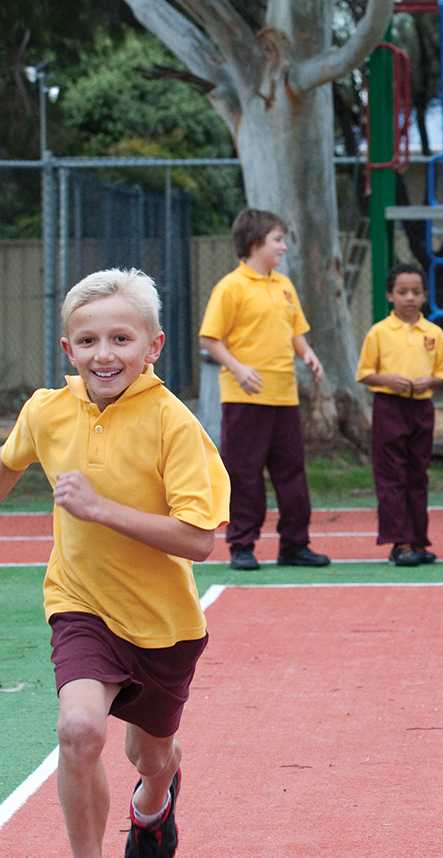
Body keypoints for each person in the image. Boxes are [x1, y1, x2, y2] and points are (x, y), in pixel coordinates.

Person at [0, 268, 230, 858]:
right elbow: (8, 465)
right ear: (68, 348)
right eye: (88, 341)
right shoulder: (46, 411)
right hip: (81, 605)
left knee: (147, 756)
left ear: (153, 346)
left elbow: (200, 540)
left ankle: (154, 799)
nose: (104, 355)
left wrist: (101, 509)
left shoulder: (174, 425)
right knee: (78, 730)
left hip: (164, 626)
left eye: (121, 339)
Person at [199, 207, 330, 570]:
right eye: (277, 240)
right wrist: (238, 369)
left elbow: (294, 331)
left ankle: (295, 545)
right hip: (245, 399)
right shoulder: (230, 287)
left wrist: (308, 354)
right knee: (244, 474)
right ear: (255, 242)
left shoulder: (284, 286)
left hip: (283, 396)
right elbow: (211, 338)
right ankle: (242, 545)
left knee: (292, 473)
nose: (283, 247)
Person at [356, 263, 443, 566]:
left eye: (416, 292)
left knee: (417, 473)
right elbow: (366, 373)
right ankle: (400, 542)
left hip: (421, 408)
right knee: (391, 475)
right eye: (402, 291)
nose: (409, 297)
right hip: (389, 407)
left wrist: (430, 381)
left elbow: (442, 374)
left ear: (425, 297)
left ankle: (419, 539)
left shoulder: (434, 333)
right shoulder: (379, 332)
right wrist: (388, 379)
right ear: (390, 295)